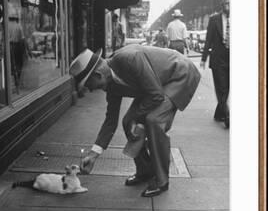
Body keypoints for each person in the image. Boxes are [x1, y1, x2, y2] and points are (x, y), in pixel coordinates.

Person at [69, 45, 200, 197]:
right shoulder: (110, 84)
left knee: (154, 120)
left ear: (98, 75)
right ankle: (145, 171)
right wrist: (93, 154)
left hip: (179, 74)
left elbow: (156, 95)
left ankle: (161, 180)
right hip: (155, 85)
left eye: (88, 85)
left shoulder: (130, 59)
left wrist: (135, 118)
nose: (91, 90)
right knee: (127, 122)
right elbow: (110, 121)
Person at [200, 0, 230, 128]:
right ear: (221, 4)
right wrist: (203, 58)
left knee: (227, 88)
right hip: (218, 58)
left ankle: (219, 113)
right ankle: (227, 115)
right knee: (221, 87)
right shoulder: (214, 19)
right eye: (225, 3)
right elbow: (208, 40)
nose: (227, 5)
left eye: (229, 2)